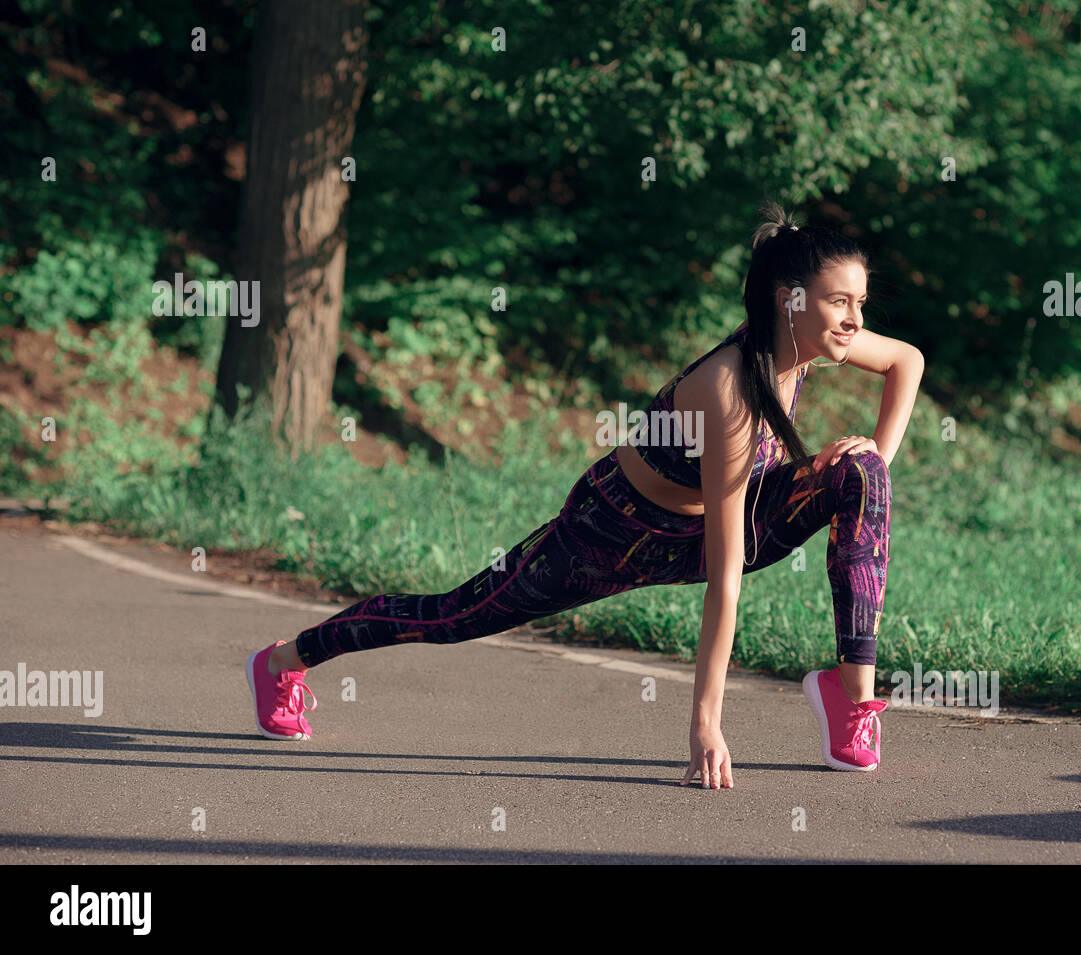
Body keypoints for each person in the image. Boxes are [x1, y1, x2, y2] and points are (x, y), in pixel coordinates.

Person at [244, 200, 924, 789]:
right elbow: (726, 578)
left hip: (705, 528)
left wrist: (876, 458)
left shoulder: (812, 342)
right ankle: (284, 660)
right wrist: (705, 728)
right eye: (842, 301)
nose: (853, 319)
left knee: (860, 475)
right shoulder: (729, 391)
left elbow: (906, 361)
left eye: (860, 303)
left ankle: (849, 695)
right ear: (790, 298)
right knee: (456, 614)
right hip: (609, 533)